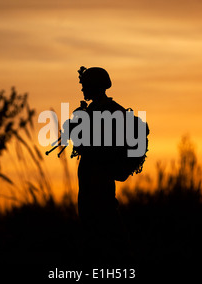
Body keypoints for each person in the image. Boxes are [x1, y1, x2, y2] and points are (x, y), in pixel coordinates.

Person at [73, 66, 132, 263]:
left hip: (98, 183)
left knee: (104, 240)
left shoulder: (106, 112)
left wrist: (76, 130)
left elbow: (90, 147)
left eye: (85, 85)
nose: (82, 90)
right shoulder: (104, 110)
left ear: (94, 86)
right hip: (93, 184)